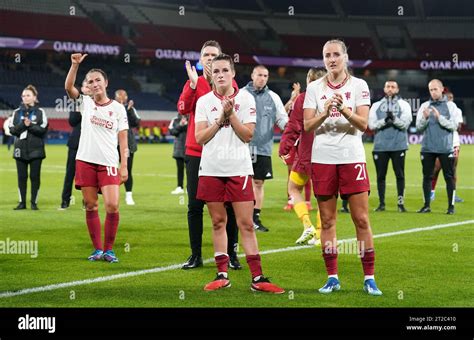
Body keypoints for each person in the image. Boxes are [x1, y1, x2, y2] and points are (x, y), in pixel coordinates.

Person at [195, 53, 284, 293]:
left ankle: (258, 278)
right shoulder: (203, 101)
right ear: (211, 75)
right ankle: (221, 274)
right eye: (216, 71)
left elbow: (248, 135)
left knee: (245, 223)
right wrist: (220, 119)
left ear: (233, 73)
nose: (221, 74)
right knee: (217, 222)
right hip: (211, 169)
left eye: (225, 70)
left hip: (240, 169)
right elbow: (200, 137)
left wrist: (231, 114)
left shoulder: (245, 99)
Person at [304, 39, 382, 296]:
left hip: (352, 158)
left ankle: (369, 277)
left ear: (346, 57)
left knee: (361, 218)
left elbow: (363, 124)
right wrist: (325, 112)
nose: (332, 59)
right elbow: (307, 126)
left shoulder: (359, 85)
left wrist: (345, 110)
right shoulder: (314, 88)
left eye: (336, 54)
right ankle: (332, 277)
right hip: (323, 159)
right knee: (327, 221)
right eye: (327, 55)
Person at [177, 40, 241, 270]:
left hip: (223, 151)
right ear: (201, 59)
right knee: (194, 206)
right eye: (206, 55)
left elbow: (220, 102)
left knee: (230, 206)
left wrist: (200, 85)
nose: (210, 58)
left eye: (214, 55)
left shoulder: (230, 83)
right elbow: (183, 107)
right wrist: (193, 85)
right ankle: (196, 255)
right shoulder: (194, 83)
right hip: (196, 151)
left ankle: (232, 254)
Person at [65, 53, 129, 263]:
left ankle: (109, 250)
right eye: (90, 82)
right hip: (85, 161)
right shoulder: (85, 103)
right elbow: (69, 88)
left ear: (106, 83)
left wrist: (124, 166)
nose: (94, 84)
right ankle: (98, 249)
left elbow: (123, 141)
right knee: (91, 205)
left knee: (112, 205)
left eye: (97, 80)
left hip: (109, 163)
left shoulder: (118, 108)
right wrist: (74, 66)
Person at [279, 67, 326, 246]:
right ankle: (320, 235)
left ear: (309, 80)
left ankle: (307, 225)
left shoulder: (303, 98)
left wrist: (284, 147)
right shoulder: (334, 97)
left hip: (306, 154)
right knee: (324, 195)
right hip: (328, 155)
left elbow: (293, 126)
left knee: (293, 188)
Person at [242, 65, 288, 232]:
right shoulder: (241, 94)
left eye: (265, 76)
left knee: (259, 183)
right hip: (242, 148)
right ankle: (239, 217)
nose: (262, 78)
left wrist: (290, 129)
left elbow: (282, 119)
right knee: (240, 183)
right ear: (252, 75)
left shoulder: (273, 97)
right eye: (259, 75)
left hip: (262, 148)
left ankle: (255, 218)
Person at [368, 80, 412, 212]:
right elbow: (371, 125)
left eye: (393, 87)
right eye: (388, 86)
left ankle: (400, 204)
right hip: (380, 146)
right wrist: (384, 120)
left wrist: (394, 119)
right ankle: (382, 204)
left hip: (398, 145)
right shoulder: (376, 105)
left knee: (400, 175)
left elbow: (405, 124)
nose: (390, 89)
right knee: (380, 176)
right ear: (384, 89)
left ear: (397, 90)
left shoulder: (404, 105)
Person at [416, 79, 457, 215]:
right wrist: (425, 118)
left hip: (445, 148)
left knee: (448, 177)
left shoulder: (451, 106)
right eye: (431, 90)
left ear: (442, 89)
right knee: (427, 177)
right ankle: (426, 205)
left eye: (435, 89)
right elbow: (418, 127)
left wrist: (440, 118)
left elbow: (454, 126)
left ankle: (451, 207)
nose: (433, 92)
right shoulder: (424, 106)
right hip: (427, 148)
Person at [9, 84, 48, 210]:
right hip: (20, 149)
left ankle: (33, 203)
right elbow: (12, 130)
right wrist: (23, 124)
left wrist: (29, 125)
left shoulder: (41, 112)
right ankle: (22, 203)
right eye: (23, 95)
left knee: (34, 177)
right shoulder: (16, 112)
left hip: (36, 149)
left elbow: (43, 130)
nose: (25, 97)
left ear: (34, 97)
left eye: (28, 95)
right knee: (21, 177)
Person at [59, 79, 90, 210]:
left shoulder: (97, 104)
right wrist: (79, 109)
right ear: (81, 89)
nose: (88, 87)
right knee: (70, 173)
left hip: (90, 144)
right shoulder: (76, 102)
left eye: (90, 85)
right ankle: (65, 201)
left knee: (88, 175)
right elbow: (72, 122)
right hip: (76, 143)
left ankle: (87, 201)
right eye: (85, 85)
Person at [430, 90, 464, 203]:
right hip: (439, 143)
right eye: (448, 97)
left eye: (451, 97)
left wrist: (444, 120)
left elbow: (457, 127)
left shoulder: (456, 110)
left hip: (453, 143)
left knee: (452, 170)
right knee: (436, 168)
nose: (450, 99)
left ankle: (453, 195)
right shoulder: (436, 108)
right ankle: (431, 192)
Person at [115, 89, 141, 206]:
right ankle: (112, 194)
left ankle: (128, 196)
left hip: (127, 145)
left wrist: (129, 110)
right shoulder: (112, 108)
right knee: (111, 171)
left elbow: (136, 123)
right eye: (119, 95)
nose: (122, 97)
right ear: (115, 97)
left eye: (124, 95)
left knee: (127, 170)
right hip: (112, 145)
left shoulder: (130, 108)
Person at [169, 114, 188, 194]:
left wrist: (186, 124)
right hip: (179, 148)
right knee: (179, 169)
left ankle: (189, 188)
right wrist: (181, 125)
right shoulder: (175, 119)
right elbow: (172, 132)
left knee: (190, 170)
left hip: (189, 148)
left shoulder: (193, 118)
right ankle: (179, 187)